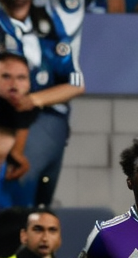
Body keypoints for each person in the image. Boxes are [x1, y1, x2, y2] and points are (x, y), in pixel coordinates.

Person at [0, 0, 85, 208]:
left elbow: (76, 84)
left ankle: (22, 218)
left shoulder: (50, 22)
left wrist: (33, 100)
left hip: (44, 115)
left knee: (20, 176)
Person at [0, 52, 36, 208]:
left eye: (21, 78)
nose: (14, 85)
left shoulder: (28, 110)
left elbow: (16, 153)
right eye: (6, 77)